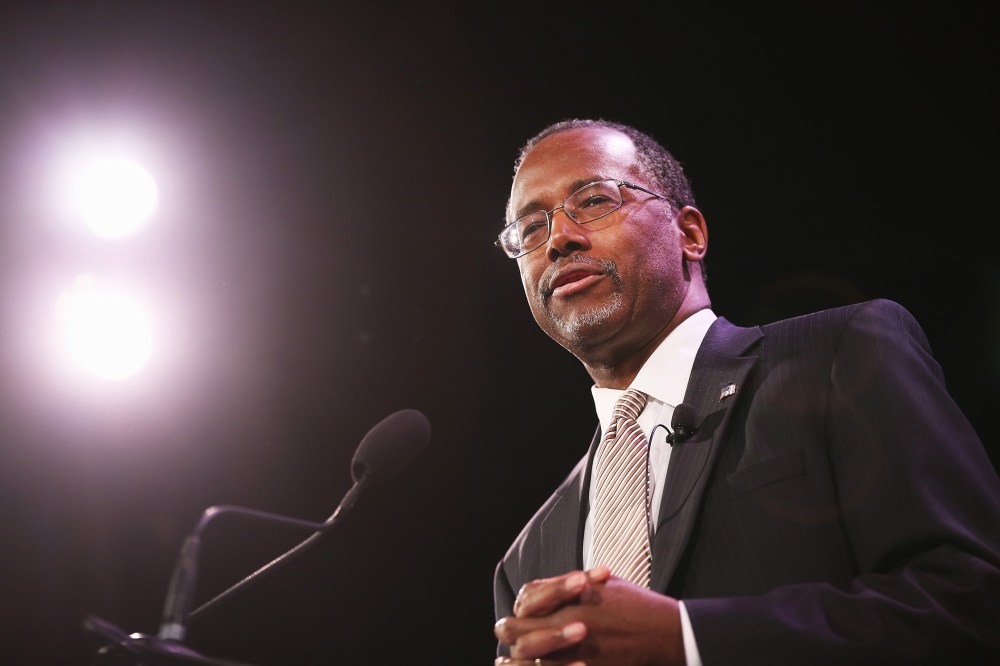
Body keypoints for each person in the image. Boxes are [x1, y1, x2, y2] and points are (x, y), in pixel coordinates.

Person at [491, 118, 1000, 666]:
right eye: (531, 229)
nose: (560, 238)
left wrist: (687, 639)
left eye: (593, 200)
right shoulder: (528, 557)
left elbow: (972, 602)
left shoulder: (838, 357)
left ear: (689, 234)